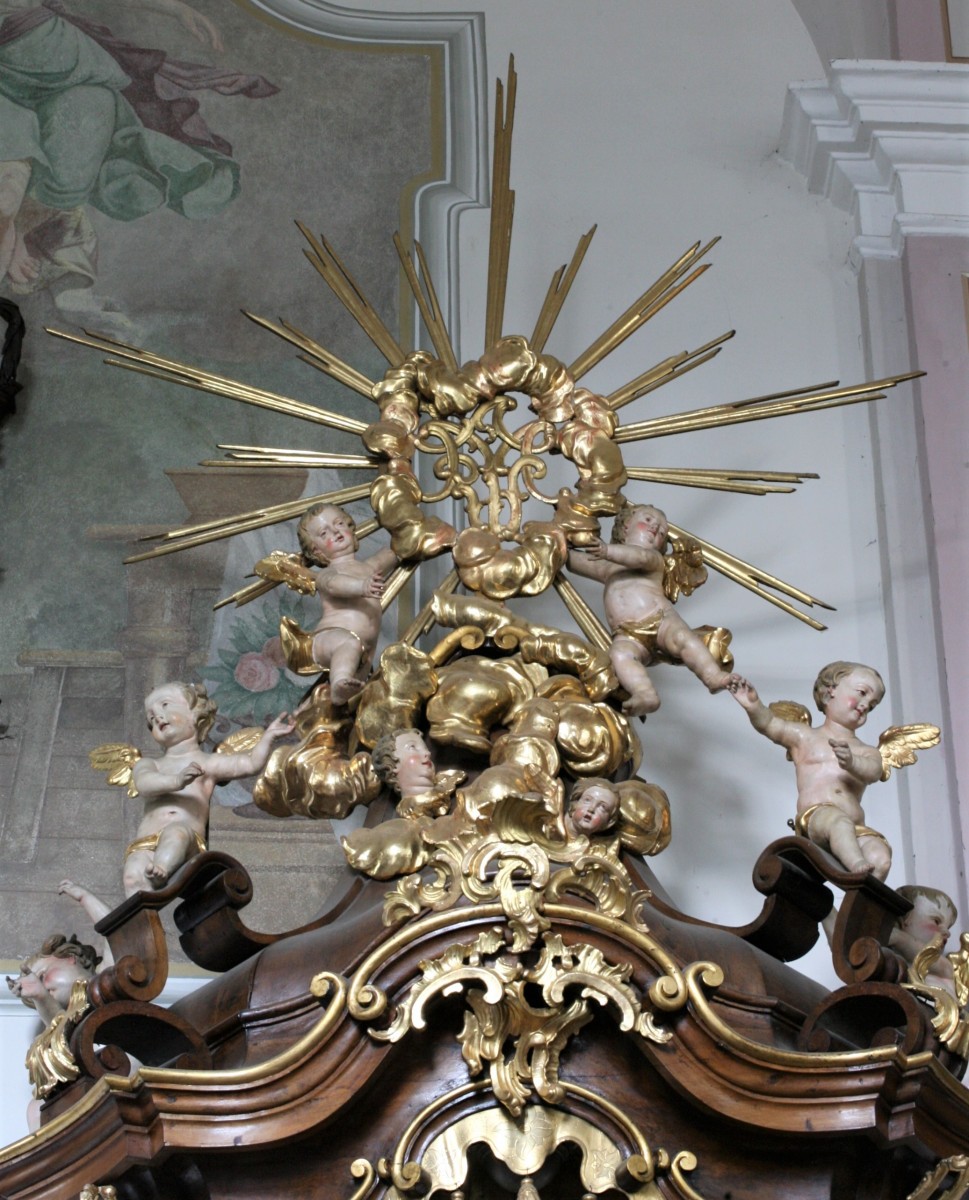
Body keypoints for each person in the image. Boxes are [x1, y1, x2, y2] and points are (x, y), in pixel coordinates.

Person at [567, 502, 738, 714]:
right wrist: (556, 548)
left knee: (683, 638)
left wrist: (607, 550)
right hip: (628, 634)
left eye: (662, 531)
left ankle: (712, 676)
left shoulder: (653, 559)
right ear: (626, 525)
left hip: (661, 620)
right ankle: (645, 693)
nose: (655, 527)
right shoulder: (607, 567)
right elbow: (572, 560)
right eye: (647, 520)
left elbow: (637, 556)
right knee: (619, 654)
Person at [124, 681, 293, 894]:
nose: (156, 717)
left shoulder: (207, 763)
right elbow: (144, 784)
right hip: (145, 841)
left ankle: (161, 870)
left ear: (195, 714)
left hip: (187, 838)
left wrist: (268, 737)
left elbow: (250, 764)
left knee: (176, 834)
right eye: (150, 719)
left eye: (165, 705)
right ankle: (138, 924)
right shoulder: (150, 764)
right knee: (132, 877)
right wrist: (177, 781)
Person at [730, 662, 893, 879]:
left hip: (856, 828)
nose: (865, 704)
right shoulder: (805, 736)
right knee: (838, 822)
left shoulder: (866, 750)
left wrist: (852, 762)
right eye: (862, 693)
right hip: (817, 819)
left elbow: (873, 771)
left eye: (871, 705)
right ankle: (856, 869)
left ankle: (859, 907)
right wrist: (753, 705)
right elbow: (770, 724)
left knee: (880, 856)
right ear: (830, 691)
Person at [279, 504, 398, 705]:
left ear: (351, 528)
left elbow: (393, 553)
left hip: (363, 653)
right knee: (348, 644)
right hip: (328, 639)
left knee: (356, 698)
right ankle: (339, 685)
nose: (335, 532)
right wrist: (362, 586)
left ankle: (319, 705)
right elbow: (335, 586)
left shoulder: (368, 567)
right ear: (317, 550)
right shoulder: (328, 573)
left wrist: (406, 538)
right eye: (324, 533)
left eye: (339, 523)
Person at [889, 884, 958, 994]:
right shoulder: (890, 961)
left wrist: (900, 938)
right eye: (936, 921)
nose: (947, 932)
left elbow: (946, 968)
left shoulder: (942, 968)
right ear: (903, 920)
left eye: (948, 926)